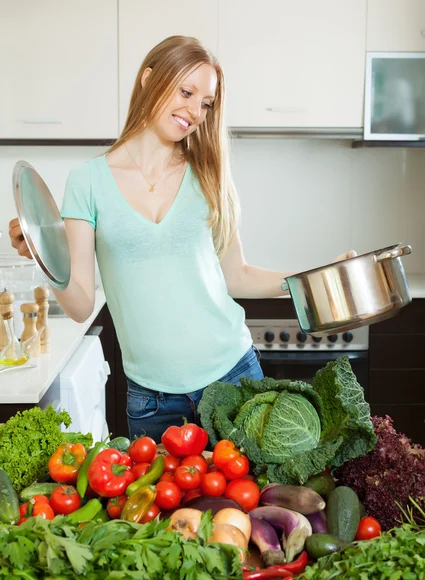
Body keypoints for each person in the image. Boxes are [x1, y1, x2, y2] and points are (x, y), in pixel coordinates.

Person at [9, 36, 355, 443]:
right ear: (148, 80)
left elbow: (237, 276)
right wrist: (45, 254)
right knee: (167, 509)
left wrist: (318, 276)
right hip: (153, 402)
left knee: (251, 505)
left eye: (206, 103)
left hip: (234, 376)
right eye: (186, 92)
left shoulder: (209, 176)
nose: (194, 112)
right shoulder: (87, 182)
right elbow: (81, 304)